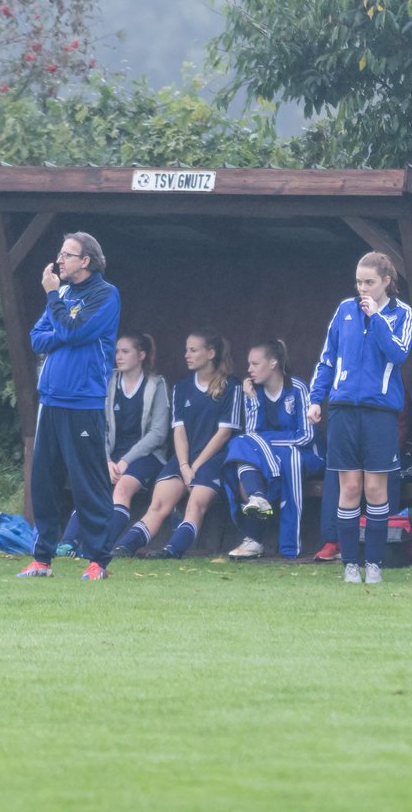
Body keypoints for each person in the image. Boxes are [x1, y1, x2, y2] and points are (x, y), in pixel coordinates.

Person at [17, 232, 120, 580]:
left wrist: (55, 309)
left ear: (85, 261)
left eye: (67, 255)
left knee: (87, 483)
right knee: (43, 482)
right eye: (60, 254)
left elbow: (77, 331)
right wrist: (62, 323)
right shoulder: (60, 295)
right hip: (51, 400)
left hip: (83, 402)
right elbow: (37, 337)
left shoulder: (106, 295)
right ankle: (41, 559)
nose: (59, 260)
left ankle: (98, 562)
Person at [308, 252, 412, 584]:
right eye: (358, 282)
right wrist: (316, 399)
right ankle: (350, 564)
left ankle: (375, 564)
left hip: (380, 412)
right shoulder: (345, 310)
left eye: (369, 282)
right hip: (342, 410)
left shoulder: (402, 314)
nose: (362, 289)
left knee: (375, 488)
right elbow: (327, 358)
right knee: (349, 487)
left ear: (386, 281)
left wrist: (378, 319)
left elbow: (398, 353)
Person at [111, 329, 242, 559]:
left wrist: (195, 466)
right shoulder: (181, 388)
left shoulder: (231, 386)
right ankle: (125, 547)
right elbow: (178, 431)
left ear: (211, 353)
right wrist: (183, 465)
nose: (187, 355)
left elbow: (224, 433)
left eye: (193, 350)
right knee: (158, 505)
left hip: (215, 459)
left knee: (195, 505)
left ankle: (172, 550)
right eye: (186, 350)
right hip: (184, 460)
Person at [57, 333, 170, 558]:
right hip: (111, 456)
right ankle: (68, 543)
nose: (118, 356)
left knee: (121, 489)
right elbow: (99, 427)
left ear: (141, 355)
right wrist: (107, 460)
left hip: (145, 456)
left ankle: (99, 546)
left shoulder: (156, 384)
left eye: (125, 351)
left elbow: (158, 433)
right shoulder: (108, 382)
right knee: (91, 487)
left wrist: (126, 461)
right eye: (116, 351)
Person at [223, 340, 324, 560]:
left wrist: (266, 443)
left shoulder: (297, 388)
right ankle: (257, 504)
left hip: (302, 454)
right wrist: (251, 401)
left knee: (281, 455)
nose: (249, 370)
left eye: (255, 363)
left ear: (273, 363)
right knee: (242, 450)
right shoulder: (253, 392)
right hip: (270, 457)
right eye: (249, 364)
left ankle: (289, 547)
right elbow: (252, 434)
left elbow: (306, 436)